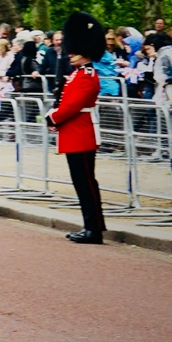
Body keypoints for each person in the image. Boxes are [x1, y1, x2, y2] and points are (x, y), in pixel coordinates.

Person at [48, 12, 108, 243]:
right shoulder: (78, 74)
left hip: (81, 134)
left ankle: (93, 229)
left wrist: (52, 118)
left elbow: (72, 106)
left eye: (74, 50)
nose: (69, 54)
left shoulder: (87, 75)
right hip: (75, 133)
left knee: (86, 183)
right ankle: (91, 226)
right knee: (82, 183)